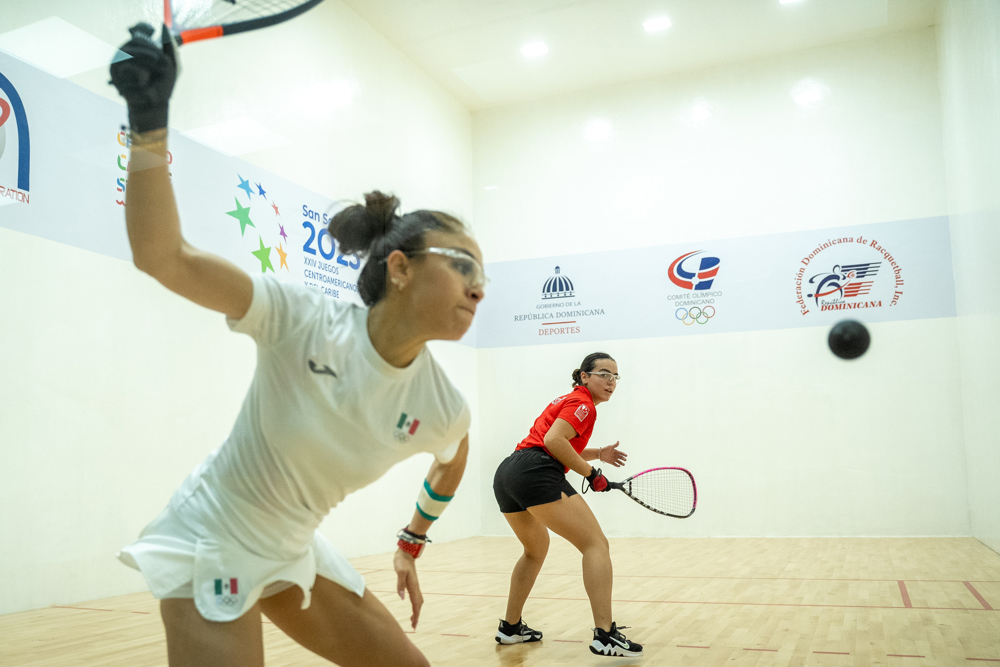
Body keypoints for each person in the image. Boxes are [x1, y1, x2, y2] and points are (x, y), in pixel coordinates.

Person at [109, 24, 486, 667]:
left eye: (483, 276)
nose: (477, 288)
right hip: (213, 538)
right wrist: (148, 128)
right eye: (462, 265)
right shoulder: (299, 318)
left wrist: (411, 539)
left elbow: (452, 460)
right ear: (400, 268)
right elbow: (163, 256)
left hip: (291, 547)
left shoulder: (443, 407)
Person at [492, 352, 643, 658]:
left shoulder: (569, 399)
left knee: (535, 550)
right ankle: (605, 635)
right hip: (535, 472)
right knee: (595, 544)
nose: (611, 382)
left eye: (615, 377)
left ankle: (510, 627)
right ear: (584, 376)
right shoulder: (584, 404)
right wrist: (592, 474)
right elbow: (554, 442)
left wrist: (598, 454)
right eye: (604, 374)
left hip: (509, 473)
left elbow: (556, 444)